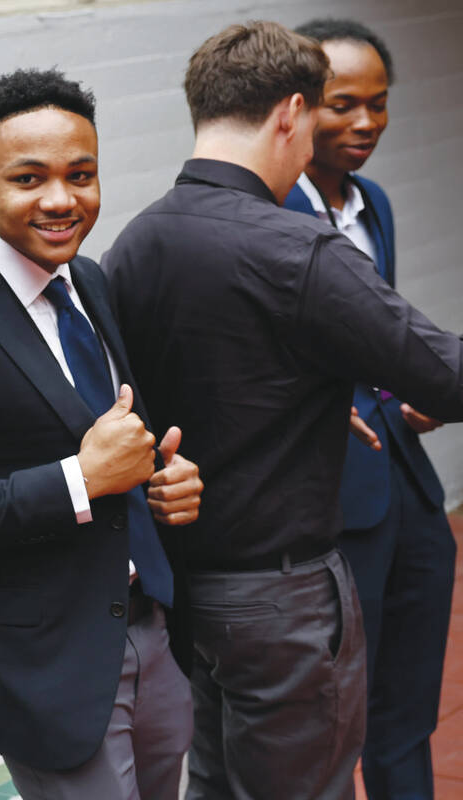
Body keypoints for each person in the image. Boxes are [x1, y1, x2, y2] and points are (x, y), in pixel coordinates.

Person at [103, 21, 463, 800]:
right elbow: (446, 377)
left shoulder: (133, 244)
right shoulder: (299, 250)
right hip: (284, 596)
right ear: (293, 112)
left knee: (216, 783)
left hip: (185, 588)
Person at [0, 69, 204, 800]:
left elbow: (111, 434)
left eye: (81, 175)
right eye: (29, 178)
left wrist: (161, 478)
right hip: (47, 666)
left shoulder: (91, 282)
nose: (61, 199)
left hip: (151, 626)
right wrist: (77, 481)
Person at [283, 19, 456, 799]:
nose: (365, 122)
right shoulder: (269, 214)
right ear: (295, 107)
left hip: (408, 486)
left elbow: (375, 333)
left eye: (378, 104)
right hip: (330, 502)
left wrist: (404, 390)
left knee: (408, 709)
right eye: (343, 103)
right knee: (335, 719)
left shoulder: (374, 202)